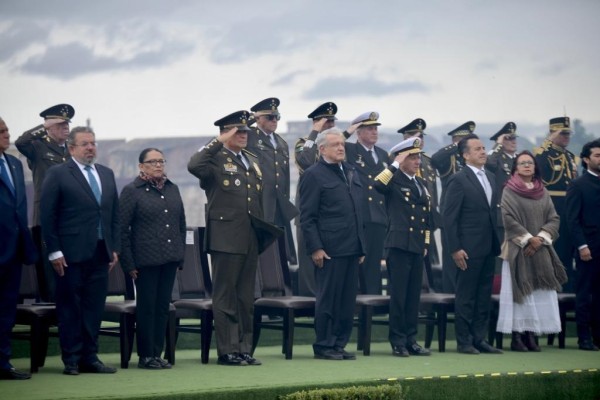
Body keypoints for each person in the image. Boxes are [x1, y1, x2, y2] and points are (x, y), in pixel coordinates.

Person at [187, 110, 282, 366]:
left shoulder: (250, 159)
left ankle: (244, 348)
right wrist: (217, 141)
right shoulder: (215, 159)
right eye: (238, 131)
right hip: (225, 238)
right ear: (225, 133)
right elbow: (194, 165)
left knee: (245, 297)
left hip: (249, 236)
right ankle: (228, 350)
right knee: (226, 296)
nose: (243, 135)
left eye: (245, 131)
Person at [40, 126, 120, 375]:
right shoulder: (58, 174)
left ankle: (90, 358)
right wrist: (54, 251)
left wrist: (114, 248)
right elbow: (48, 215)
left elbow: (113, 214)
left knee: (94, 308)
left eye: (93, 143)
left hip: (100, 252)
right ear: (71, 148)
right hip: (69, 254)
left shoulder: (106, 174)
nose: (90, 148)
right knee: (70, 308)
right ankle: (72, 359)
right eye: (85, 144)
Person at [298, 127, 366, 361]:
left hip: (351, 247)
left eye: (342, 144)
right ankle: (324, 345)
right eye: (335, 144)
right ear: (322, 149)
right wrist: (316, 248)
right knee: (329, 299)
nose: (340, 148)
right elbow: (307, 217)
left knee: (347, 301)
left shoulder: (350, 171)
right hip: (329, 249)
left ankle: (339, 343)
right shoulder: (313, 175)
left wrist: (361, 246)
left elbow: (357, 211)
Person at [119, 148, 187, 369]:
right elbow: (122, 230)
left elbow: (180, 224)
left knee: (162, 307)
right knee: (147, 308)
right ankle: (146, 355)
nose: (158, 165)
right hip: (144, 261)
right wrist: (128, 263)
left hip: (169, 259)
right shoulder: (132, 191)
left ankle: (157, 354)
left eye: (161, 161)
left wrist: (180, 256)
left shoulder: (172, 188)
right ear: (141, 166)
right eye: (152, 162)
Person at [495, 151, 567, 352]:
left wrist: (540, 238)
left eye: (530, 162)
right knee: (520, 292)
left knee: (537, 293)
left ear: (535, 167)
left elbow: (554, 218)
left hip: (540, 249)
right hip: (517, 249)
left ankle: (531, 334)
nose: (527, 165)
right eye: (522, 163)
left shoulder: (542, 190)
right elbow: (508, 218)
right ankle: (517, 336)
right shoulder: (509, 190)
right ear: (516, 168)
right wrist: (528, 239)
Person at [442, 133, 502, 355]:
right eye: (477, 149)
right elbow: (449, 218)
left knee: (483, 295)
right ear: (465, 155)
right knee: (466, 296)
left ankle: (480, 338)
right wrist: (455, 248)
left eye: (483, 148)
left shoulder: (491, 177)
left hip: (488, 246)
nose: (483, 152)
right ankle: (464, 341)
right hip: (467, 249)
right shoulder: (458, 179)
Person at [374, 136, 432, 357]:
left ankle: (411, 340)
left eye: (418, 157)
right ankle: (398, 341)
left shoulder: (420, 183)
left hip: (416, 245)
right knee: (399, 296)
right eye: (412, 157)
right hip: (398, 245)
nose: (417, 161)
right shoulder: (394, 179)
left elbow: (426, 217)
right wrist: (395, 163)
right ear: (403, 158)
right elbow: (377, 184)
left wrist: (425, 242)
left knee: (413, 296)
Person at [15, 104, 74, 302]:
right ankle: (50, 308)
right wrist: (44, 126)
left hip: (71, 217)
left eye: (67, 124)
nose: (65, 127)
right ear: (49, 127)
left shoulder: (71, 150)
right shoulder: (38, 147)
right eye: (60, 124)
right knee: (50, 273)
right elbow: (21, 142)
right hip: (46, 218)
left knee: (71, 270)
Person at [0, 117, 37, 380]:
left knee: (6, 310)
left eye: (6, 130)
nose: (7, 134)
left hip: (13, 251)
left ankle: (3, 363)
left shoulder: (13, 163)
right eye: (1, 131)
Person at [293, 102, 338, 296]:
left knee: (329, 262)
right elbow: (306, 161)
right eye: (326, 122)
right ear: (316, 122)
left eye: (332, 122)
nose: (330, 125)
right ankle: (308, 301)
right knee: (308, 263)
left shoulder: (334, 146)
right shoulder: (304, 143)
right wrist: (315, 132)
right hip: (308, 212)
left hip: (328, 214)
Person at [247, 98, 298, 264]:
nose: (274, 120)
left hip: (279, 203)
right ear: (258, 118)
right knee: (263, 252)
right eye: (269, 117)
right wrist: (250, 119)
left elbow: (285, 175)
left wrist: (285, 199)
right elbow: (232, 134)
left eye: (277, 117)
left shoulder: (281, 142)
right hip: (261, 202)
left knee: (282, 251)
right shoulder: (250, 137)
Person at [344, 111, 388, 295]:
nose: (374, 132)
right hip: (360, 214)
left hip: (378, 215)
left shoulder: (383, 155)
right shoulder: (350, 150)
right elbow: (332, 144)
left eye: (375, 128)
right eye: (369, 129)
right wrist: (347, 131)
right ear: (359, 132)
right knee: (357, 261)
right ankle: (357, 299)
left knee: (374, 263)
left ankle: (373, 299)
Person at [534, 117, 578, 293]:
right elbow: (538, 167)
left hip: (570, 209)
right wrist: (548, 142)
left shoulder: (570, 156)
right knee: (555, 251)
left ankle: (567, 290)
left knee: (568, 251)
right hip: (553, 209)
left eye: (568, 134)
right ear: (553, 133)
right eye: (563, 134)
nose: (567, 137)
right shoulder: (544, 153)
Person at [431, 121, 476, 294]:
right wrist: (456, 145)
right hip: (450, 213)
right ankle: (450, 295)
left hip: (469, 215)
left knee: (469, 256)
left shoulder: (470, 159)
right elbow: (435, 159)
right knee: (451, 258)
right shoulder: (448, 158)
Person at [566, 139, 600, 351]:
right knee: (585, 294)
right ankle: (584, 338)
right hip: (588, 248)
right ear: (586, 159)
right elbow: (572, 220)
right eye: (597, 155)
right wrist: (582, 246)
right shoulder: (577, 185)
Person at [398, 118, 440, 287]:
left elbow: (433, 192)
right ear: (405, 138)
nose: (419, 140)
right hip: (406, 222)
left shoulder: (428, 162)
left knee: (430, 261)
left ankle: (430, 292)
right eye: (414, 137)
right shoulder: (396, 161)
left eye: (421, 137)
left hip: (427, 220)